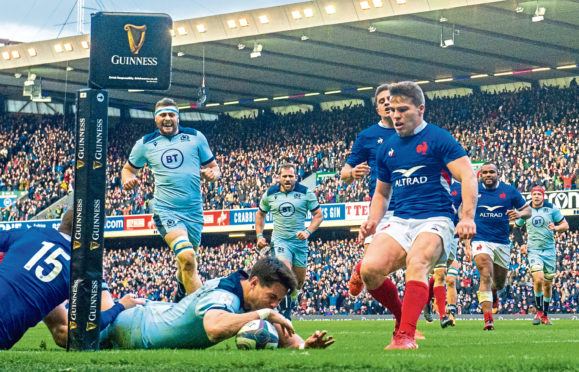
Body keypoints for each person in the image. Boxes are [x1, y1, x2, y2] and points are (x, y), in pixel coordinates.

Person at [358, 81, 478, 350]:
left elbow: (468, 175)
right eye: (392, 110)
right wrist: (372, 220)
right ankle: (402, 317)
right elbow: (381, 194)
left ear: (421, 109)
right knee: (369, 271)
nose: (395, 116)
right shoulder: (386, 148)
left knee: (419, 260)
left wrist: (467, 216)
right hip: (400, 220)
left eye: (403, 109)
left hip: (436, 218)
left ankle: (405, 336)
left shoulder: (438, 138)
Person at [99, 256, 334, 350]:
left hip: (150, 315)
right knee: (66, 334)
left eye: (278, 301)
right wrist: (266, 314)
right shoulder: (225, 296)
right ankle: (94, 280)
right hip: (132, 326)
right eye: (272, 298)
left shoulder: (251, 297)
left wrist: (304, 346)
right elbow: (213, 329)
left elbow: (282, 332)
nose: (274, 305)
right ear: (253, 283)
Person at [121, 98, 221, 301]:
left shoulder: (195, 137)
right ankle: (199, 312)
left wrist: (212, 174)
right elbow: (128, 169)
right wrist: (128, 180)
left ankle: (181, 291)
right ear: (155, 118)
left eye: (171, 114)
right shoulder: (145, 144)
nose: (167, 118)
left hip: (194, 211)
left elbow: (214, 167)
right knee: (187, 256)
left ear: (178, 117)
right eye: (162, 115)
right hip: (166, 210)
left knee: (187, 262)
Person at [0, 209, 142, 349]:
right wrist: (121, 306)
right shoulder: (79, 269)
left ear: (63, 221)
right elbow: (88, 326)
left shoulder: (33, 232)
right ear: (94, 235)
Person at [340, 83, 397, 298]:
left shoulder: (412, 130)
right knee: (371, 270)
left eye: (390, 99)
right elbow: (344, 174)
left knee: (414, 261)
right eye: (381, 101)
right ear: (378, 110)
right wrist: (353, 173)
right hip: (381, 208)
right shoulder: (368, 136)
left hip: (410, 205)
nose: (387, 103)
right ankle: (360, 269)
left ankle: (409, 319)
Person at [464, 162, 531, 331]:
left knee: (499, 283)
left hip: (501, 242)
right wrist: (466, 241)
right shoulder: (474, 190)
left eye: (491, 172)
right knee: (485, 274)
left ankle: (494, 293)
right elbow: (459, 208)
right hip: (480, 239)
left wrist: (519, 213)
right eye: (485, 172)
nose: (488, 175)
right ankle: (488, 319)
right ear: (481, 174)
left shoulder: (509, 191)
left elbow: (528, 210)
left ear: (497, 173)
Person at [255, 163, 323, 320]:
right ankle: (285, 316)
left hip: (299, 244)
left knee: (297, 284)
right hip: (280, 241)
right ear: (278, 177)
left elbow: (318, 215)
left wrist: (307, 231)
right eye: (284, 176)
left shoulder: (306, 193)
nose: (287, 179)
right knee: (285, 272)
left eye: (290, 176)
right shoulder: (270, 194)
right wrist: (259, 235)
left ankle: (291, 301)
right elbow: (260, 214)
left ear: (296, 177)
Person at [515, 185, 568, 326]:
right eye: (534, 194)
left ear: (543, 196)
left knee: (548, 284)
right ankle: (539, 310)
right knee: (538, 279)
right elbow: (516, 228)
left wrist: (556, 228)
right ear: (531, 196)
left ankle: (544, 314)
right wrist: (522, 244)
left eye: (539, 194)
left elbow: (565, 225)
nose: (536, 196)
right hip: (534, 250)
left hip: (549, 251)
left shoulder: (551, 208)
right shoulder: (526, 210)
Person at [424, 180, 462, 328]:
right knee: (441, 274)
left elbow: (465, 209)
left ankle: (427, 300)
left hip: (453, 235)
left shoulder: (459, 186)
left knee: (440, 273)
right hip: (436, 231)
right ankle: (443, 316)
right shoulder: (431, 180)